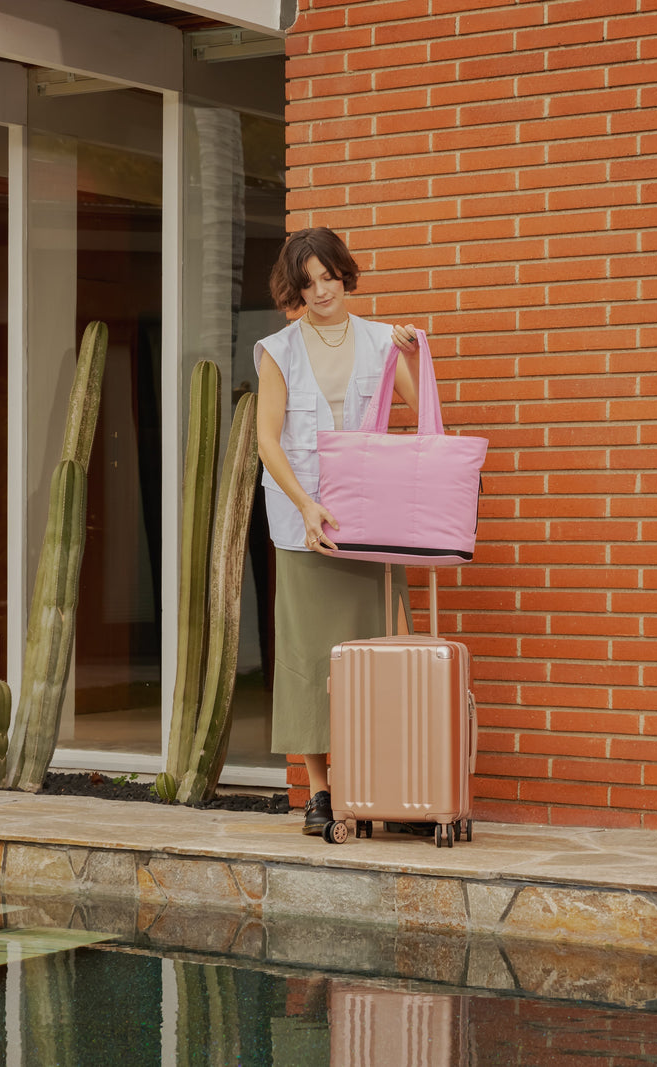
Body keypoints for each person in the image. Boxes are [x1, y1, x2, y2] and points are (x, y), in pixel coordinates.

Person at [254, 226, 427, 835]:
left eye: (330, 276)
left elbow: (427, 412)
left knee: (383, 652)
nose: (322, 290)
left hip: (372, 521)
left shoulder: (383, 340)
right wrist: (304, 504)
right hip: (306, 525)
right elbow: (266, 440)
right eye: (309, 281)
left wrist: (411, 355)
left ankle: (389, 784)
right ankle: (321, 791)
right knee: (310, 658)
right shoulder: (278, 348)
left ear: (345, 274)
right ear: (295, 286)